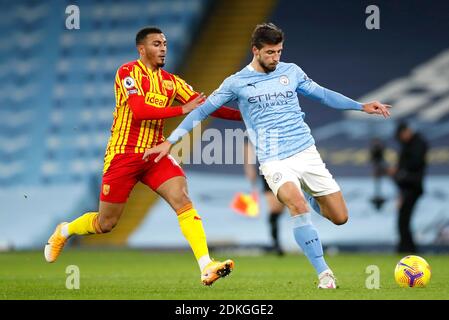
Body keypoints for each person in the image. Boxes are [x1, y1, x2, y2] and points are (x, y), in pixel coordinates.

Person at [143, 23, 391, 289]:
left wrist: (361, 106)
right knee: (297, 205)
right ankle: (325, 274)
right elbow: (201, 111)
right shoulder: (236, 82)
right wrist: (171, 141)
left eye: (279, 52)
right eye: (271, 52)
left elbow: (322, 95)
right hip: (273, 159)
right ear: (256, 50)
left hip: (306, 152)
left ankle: (308, 195)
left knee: (340, 217)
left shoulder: (291, 72)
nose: (276, 57)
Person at [44, 27, 242, 286]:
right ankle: (65, 230)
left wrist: (246, 116)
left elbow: (206, 107)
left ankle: (206, 265)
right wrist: (182, 109)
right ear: (142, 49)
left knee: (182, 198)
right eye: (157, 44)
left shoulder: (172, 81)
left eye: (165, 44)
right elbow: (139, 111)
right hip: (123, 155)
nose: (163, 49)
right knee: (106, 223)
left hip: (154, 154)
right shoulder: (128, 73)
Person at [390, 122, 428, 253]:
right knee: (403, 220)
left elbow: (414, 163)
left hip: (413, 186)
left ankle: (408, 249)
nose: (401, 139)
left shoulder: (418, 143)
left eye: (402, 135)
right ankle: (406, 248)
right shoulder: (409, 144)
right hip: (407, 187)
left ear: (407, 131)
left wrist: (400, 172)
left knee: (404, 220)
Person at [244, 141, 286, 256]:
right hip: (268, 170)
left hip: (286, 168)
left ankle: (305, 242)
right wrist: (249, 168)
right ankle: (276, 244)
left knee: (284, 208)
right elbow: (248, 147)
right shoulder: (254, 130)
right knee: (274, 209)